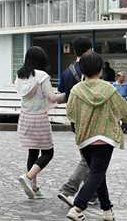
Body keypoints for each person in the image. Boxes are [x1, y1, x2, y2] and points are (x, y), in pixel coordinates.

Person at [65, 51, 127, 221]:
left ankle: (107, 211)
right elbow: (123, 110)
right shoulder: (109, 88)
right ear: (101, 70)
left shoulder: (76, 90)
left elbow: (70, 113)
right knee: (97, 174)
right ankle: (78, 207)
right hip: (105, 137)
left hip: (84, 138)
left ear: (83, 71)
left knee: (97, 174)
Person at [14, 46, 64, 199]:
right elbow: (52, 98)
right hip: (39, 118)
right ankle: (28, 178)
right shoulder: (42, 75)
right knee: (48, 152)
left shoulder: (20, 75)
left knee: (33, 151)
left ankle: (34, 188)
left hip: (24, 118)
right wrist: (68, 95)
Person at [56, 37, 94, 207]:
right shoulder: (93, 68)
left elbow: (62, 98)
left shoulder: (66, 72)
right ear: (90, 50)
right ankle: (68, 189)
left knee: (89, 157)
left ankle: (93, 193)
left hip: (75, 121)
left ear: (73, 51)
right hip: (92, 120)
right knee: (89, 159)